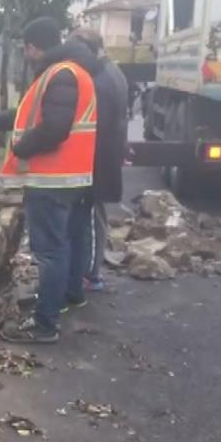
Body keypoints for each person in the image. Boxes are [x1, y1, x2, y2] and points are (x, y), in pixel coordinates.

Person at [0, 16, 100, 344]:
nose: (25, 54)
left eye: (26, 49)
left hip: (53, 179)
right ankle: (56, 300)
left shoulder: (61, 75)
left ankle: (44, 325)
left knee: (50, 251)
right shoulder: (64, 73)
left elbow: (53, 127)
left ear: (32, 47)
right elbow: (31, 114)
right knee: (61, 245)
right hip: (66, 179)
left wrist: (20, 146)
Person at [69, 28, 128, 292]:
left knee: (92, 219)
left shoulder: (100, 80)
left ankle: (90, 275)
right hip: (104, 157)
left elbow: (96, 128)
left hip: (97, 160)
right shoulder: (110, 71)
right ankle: (88, 271)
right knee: (94, 217)